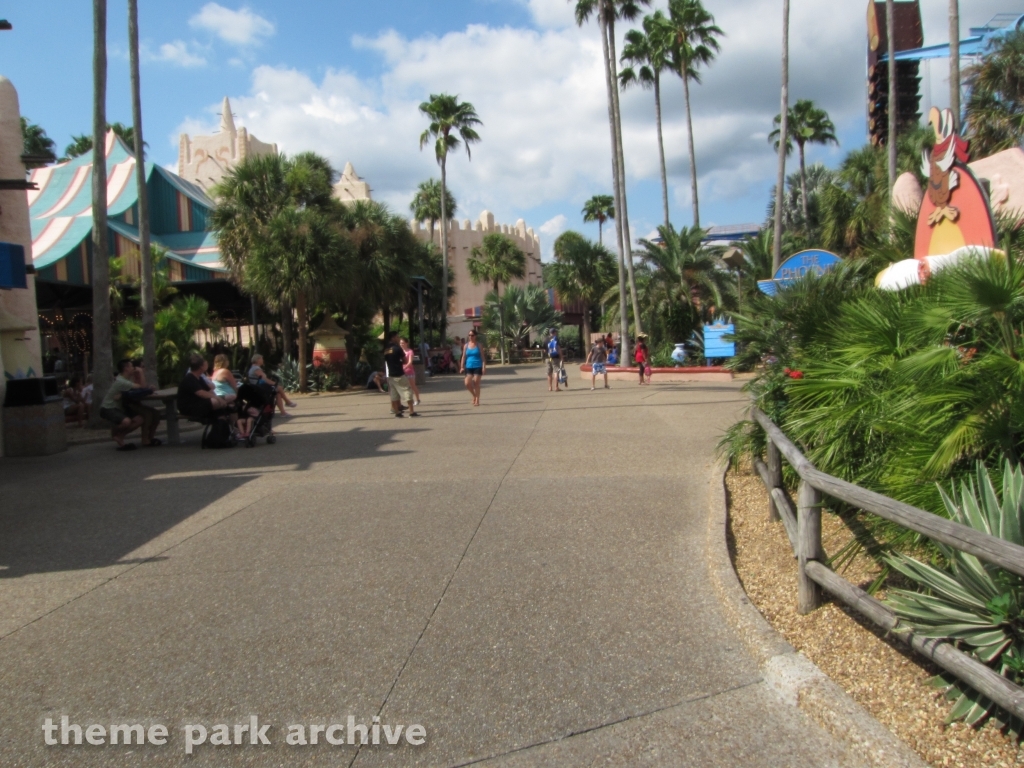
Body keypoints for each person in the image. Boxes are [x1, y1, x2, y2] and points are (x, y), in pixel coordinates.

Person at [99, 359, 159, 450]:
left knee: (139, 419)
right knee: (127, 422)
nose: (134, 368)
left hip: (119, 407)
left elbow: (139, 389)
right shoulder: (121, 382)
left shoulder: (125, 379)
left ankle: (120, 436)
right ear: (126, 368)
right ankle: (115, 431)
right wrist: (141, 373)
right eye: (131, 366)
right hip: (108, 408)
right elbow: (142, 387)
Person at [177, 353, 232, 422]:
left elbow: (209, 390)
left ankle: (227, 426)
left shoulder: (199, 378)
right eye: (205, 364)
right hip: (190, 406)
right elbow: (201, 393)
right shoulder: (189, 378)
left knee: (230, 398)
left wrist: (221, 398)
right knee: (217, 402)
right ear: (201, 367)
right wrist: (218, 398)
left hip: (200, 402)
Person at [211, 354, 253, 439]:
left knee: (231, 406)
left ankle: (235, 429)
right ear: (225, 362)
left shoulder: (215, 372)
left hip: (219, 396)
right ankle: (237, 428)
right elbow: (234, 386)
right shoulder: (225, 371)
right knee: (237, 406)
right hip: (228, 395)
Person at [383, 331, 417, 417]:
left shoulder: (386, 349)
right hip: (399, 373)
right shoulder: (397, 349)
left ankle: (397, 412)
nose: (398, 338)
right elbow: (405, 360)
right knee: (407, 391)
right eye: (397, 337)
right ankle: (411, 412)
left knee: (394, 394)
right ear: (393, 338)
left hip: (391, 375)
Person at [461, 329, 485, 406]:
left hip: (478, 365)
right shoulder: (466, 345)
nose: (470, 337)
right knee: (467, 383)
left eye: (472, 335)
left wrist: (484, 367)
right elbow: (464, 356)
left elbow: (482, 357)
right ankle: (474, 395)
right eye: (469, 335)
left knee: (476, 383)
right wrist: (461, 366)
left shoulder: (479, 345)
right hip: (468, 366)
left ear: (475, 336)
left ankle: (477, 399)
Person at [401, 338, 422, 406]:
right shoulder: (400, 351)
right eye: (401, 343)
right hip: (402, 372)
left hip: (409, 371)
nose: (402, 344)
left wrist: (404, 367)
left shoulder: (410, 351)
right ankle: (410, 400)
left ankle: (418, 399)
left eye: (403, 343)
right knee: (405, 387)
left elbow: (410, 362)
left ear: (407, 343)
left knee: (412, 386)